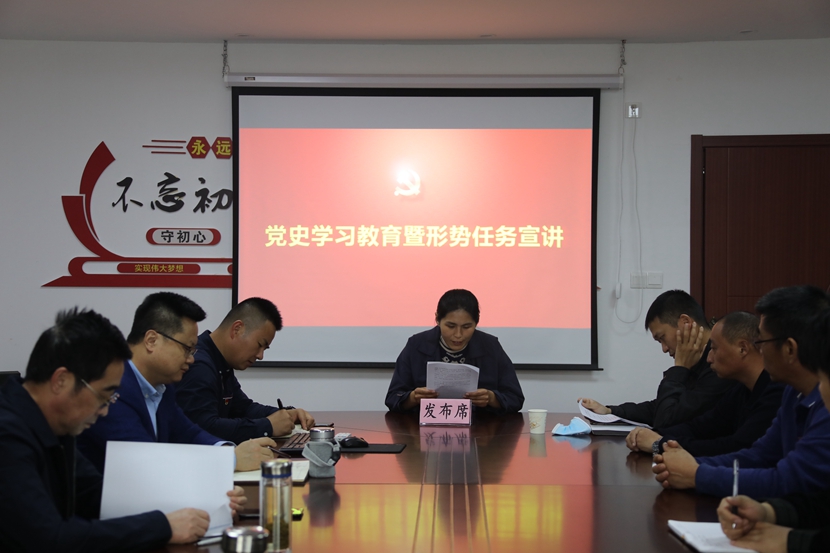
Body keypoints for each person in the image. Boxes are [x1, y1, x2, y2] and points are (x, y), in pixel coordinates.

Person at [0, 308, 239, 552]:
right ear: (61, 381)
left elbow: (98, 496)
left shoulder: (57, 425)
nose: (105, 410)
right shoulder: (7, 436)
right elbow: (50, 538)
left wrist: (207, 506)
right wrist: (162, 526)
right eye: (104, 396)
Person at [652, 285, 830, 498]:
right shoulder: (792, 393)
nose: (759, 350)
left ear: (789, 349)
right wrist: (689, 466)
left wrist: (697, 474)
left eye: (762, 342)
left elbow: (787, 480)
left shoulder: (822, 405)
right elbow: (759, 455)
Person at [77, 292, 276, 473]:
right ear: (152, 340)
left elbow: (187, 432)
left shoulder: (162, 386)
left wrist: (226, 451)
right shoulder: (112, 389)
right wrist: (229, 460)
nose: (191, 359)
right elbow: (144, 464)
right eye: (187, 349)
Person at [717, 307, 830, 553]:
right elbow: (824, 502)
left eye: (824, 379)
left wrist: (791, 541)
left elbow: (789, 479)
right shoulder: (792, 393)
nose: (820, 390)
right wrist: (769, 512)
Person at [626, 311, 784, 456]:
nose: (709, 358)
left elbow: (736, 447)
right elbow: (701, 427)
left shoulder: (776, 393)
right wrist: (653, 435)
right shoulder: (741, 389)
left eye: (714, 348)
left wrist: (659, 444)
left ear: (742, 349)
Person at [579, 289, 735, 428]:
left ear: (686, 323)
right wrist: (610, 411)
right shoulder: (697, 359)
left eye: (662, 338)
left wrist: (679, 369)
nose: (664, 349)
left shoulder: (720, 366)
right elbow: (661, 407)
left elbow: (665, 421)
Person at [176, 297, 315, 442]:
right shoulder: (199, 365)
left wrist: (286, 415)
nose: (260, 356)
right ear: (237, 329)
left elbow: (244, 408)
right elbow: (204, 428)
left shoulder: (221, 363)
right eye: (259, 345)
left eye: (265, 349)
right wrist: (267, 426)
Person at [385, 289, 524, 414]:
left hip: (481, 429)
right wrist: (413, 398)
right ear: (437, 319)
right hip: (424, 427)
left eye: (467, 327)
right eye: (450, 326)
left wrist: (492, 398)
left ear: (476, 322)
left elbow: (515, 398)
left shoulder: (490, 346)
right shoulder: (417, 345)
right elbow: (392, 398)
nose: (458, 334)